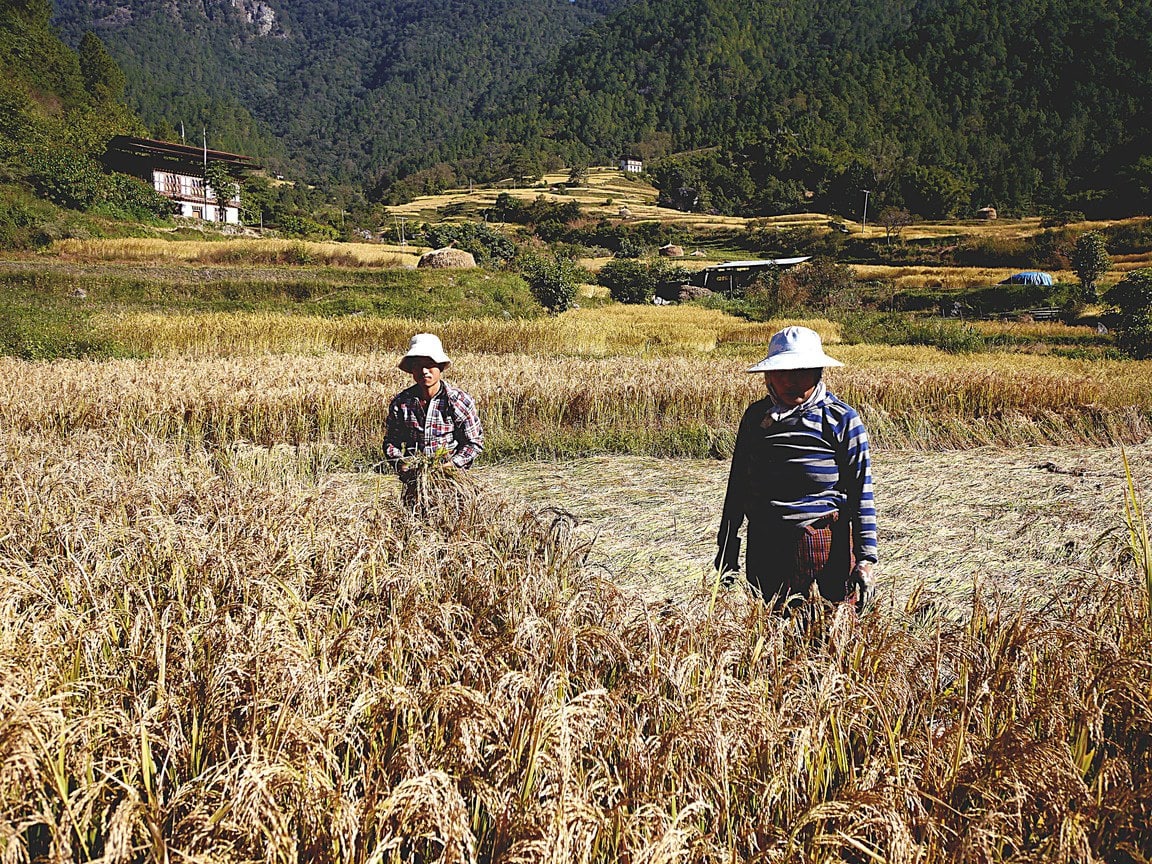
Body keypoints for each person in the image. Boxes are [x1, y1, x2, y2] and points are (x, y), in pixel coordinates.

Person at [715, 326, 877, 610]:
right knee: (771, 639)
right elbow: (737, 487)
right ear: (768, 376)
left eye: (802, 371)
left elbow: (861, 491)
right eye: (782, 372)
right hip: (765, 546)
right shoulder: (756, 418)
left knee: (825, 638)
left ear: (818, 372)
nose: (792, 381)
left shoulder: (841, 419)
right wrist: (727, 551)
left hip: (823, 548)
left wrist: (865, 559)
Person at [385, 333, 483, 502]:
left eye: (429, 365)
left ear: (440, 367)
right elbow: (390, 442)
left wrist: (451, 465)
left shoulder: (458, 401)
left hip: (452, 484)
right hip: (415, 483)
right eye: (417, 366)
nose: (424, 371)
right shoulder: (401, 403)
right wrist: (401, 463)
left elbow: (474, 443)